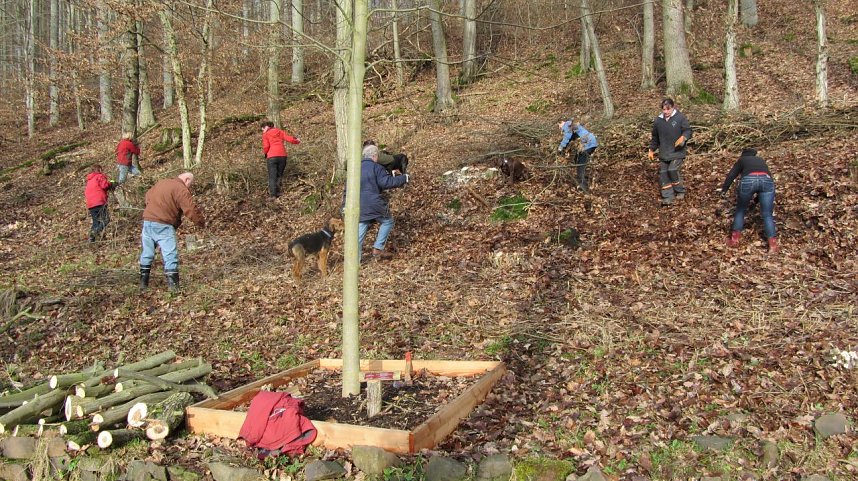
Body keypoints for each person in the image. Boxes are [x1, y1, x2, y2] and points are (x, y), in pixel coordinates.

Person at [139, 172, 206, 292]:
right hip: (163, 224)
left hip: (147, 221)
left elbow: (147, 196)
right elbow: (190, 209)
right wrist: (200, 222)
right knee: (170, 254)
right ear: (186, 179)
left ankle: (143, 284)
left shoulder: (161, 183)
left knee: (147, 253)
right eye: (190, 183)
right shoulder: (180, 188)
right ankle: (173, 287)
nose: (189, 187)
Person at [347, 144, 409, 260]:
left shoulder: (354, 169)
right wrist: (403, 178)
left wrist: (344, 205)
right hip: (374, 202)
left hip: (357, 203)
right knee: (387, 221)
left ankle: (355, 259)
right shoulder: (377, 168)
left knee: (362, 225)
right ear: (375, 156)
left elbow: (347, 189)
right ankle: (377, 249)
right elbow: (386, 182)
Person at [720, 148, 778, 253]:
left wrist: (724, 189)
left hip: (748, 180)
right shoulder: (761, 160)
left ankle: (734, 241)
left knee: (741, 210)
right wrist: (756, 201)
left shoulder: (742, 160)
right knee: (767, 215)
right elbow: (767, 179)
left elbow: (732, 175)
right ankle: (773, 246)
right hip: (767, 180)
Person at [648, 98, 692, 206]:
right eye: (664, 109)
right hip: (664, 152)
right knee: (663, 173)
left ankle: (679, 191)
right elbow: (655, 137)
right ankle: (668, 196)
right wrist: (651, 149)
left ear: (673, 107)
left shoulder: (680, 117)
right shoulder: (658, 121)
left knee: (672, 170)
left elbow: (688, 130)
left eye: (668, 109)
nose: (666, 112)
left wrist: (683, 137)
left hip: (677, 152)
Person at [261, 120, 300, 198]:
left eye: (262, 128)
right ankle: (278, 192)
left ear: (264, 127)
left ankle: (273, 195)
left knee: (272, 176)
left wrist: (265, 153)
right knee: (279, 175)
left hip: (272, 156)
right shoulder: (279, 131)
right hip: (282, 156)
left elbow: (266, 146)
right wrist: (297, 141)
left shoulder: (265, 134)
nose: (262, 130)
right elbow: (289, 138)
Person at [557, 117, 598, 192]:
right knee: (577, 159)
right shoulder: (573, 125)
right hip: (592, 143)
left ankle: (583, 187)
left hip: (587, 145)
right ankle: (585, 178)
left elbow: (567, 137)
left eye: (559, 126)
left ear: (561, 122)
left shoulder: (567, 125)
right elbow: (571, 138)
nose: (559, 128)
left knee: (580, 166)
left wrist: (560, 148)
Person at [84, 164, 113, 243]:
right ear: (99, 170)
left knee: (96, 222)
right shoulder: (99, 176)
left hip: (90, 204)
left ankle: (91, 239)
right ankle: (94, 233)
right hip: (99, 202)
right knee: (106, 219)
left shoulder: (89, 180)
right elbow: (105, 185)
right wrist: (111, 183)